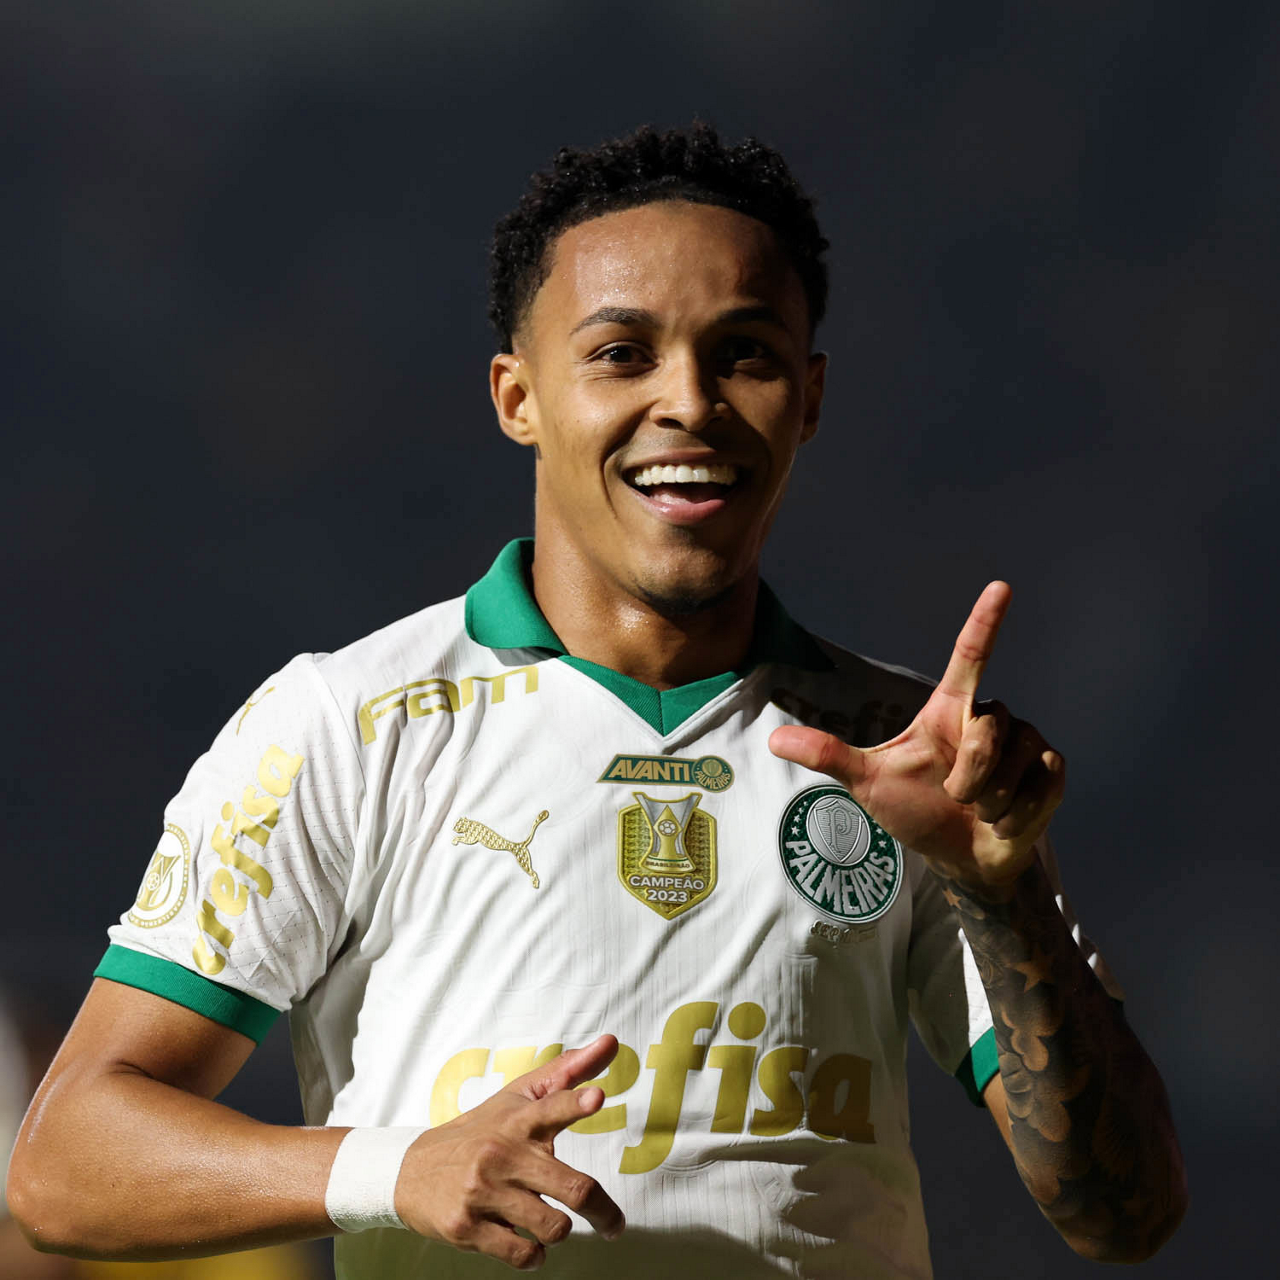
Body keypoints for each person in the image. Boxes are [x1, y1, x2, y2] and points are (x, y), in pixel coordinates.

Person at [6, 125, 1186, 1279]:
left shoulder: (901, 754)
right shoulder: (345, 726)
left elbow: (1123, 1214)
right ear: (517, 396)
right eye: (622, 353)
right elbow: (61, 1167)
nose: (690, 401)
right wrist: (393, 1167)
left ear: (810, 396)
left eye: (744, 353)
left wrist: (1003, 894)